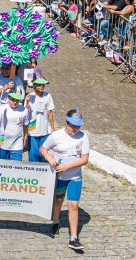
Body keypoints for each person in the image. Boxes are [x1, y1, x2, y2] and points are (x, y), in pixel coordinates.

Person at [40, 108, 90, 252]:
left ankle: (73, 238)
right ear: (66, 122)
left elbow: (84, 159)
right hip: (59, 178)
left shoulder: (83, 137)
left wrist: (67, 167)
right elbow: (43, 148)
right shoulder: (56, 136)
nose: (75, 128)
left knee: (73, 205)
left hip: (75, 178)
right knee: (58, 201)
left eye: (78, 126)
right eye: (73, 125)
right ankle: (55, 222)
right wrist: (49, 157)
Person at [0, 92, 28, 161]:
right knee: (3, 165)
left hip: (17, 143)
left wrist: (25, 138)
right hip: (3, 142)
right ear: (8, 98)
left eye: (17, 100)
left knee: (16, 165)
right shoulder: (2, 109)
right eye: (13, 100)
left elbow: (25, 125)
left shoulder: (24, 110)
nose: (15, 102)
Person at [25, 78, 55, 162]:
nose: (41, 87)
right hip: (32, 129)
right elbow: (25, 112)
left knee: (42, 152)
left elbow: (50, 112)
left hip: (44, 128)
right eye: (39, 85)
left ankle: (41, 169)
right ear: (34, 86)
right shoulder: (30, 96)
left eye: (43, 85)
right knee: (33, 153)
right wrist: (27, 102)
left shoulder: (47, 95)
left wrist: (52, 127)